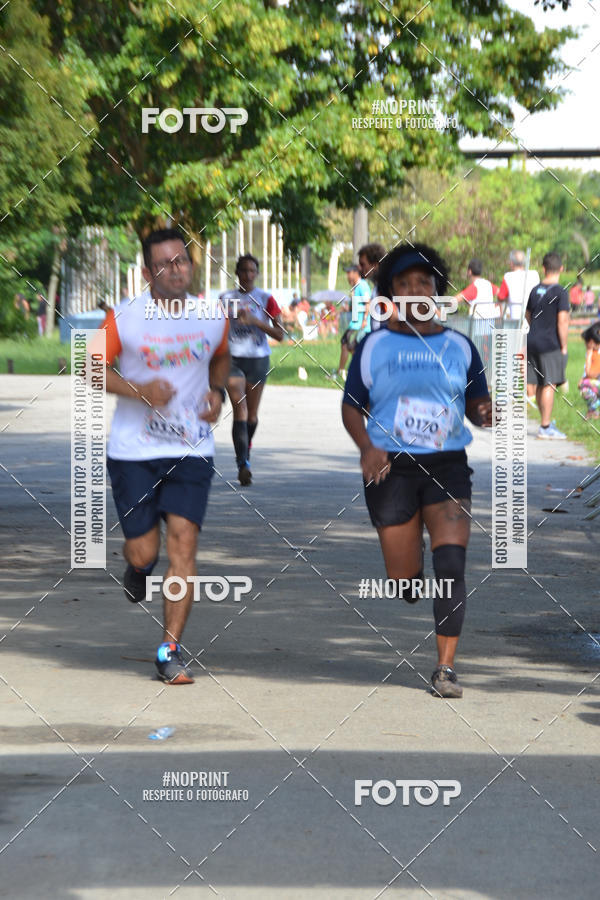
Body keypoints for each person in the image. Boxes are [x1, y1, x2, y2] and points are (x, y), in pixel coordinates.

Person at [342, 243, 492, 699]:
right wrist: (366, 447)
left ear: (436, 291)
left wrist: (486, 412)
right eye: (403, 284)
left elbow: (475, 406)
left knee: (451, 564)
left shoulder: (459, 346)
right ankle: (409, 574)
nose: (414, 291)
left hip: (447, 464)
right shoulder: (374, 345)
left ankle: (445, 668)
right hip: (390, 467)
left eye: (423, 283)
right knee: (404, 577)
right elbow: (352, 408)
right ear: (389, 293)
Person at [100, 227, 230, 684]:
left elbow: (219, 356)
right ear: (147, 271)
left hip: (191, 448)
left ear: (191, 265)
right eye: (164, 264)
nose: (175, 270)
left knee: (184, 545)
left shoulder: (213, 314)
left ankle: (168, 651)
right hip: (134, 451)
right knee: (145, 550)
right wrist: (139, 390)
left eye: (181, 261)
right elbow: (87, 365)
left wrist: (217, 392)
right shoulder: (126, 317)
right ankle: (137, 567)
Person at [220, 253, 284, 486]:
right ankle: (242, 464)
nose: (248, 275)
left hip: (257, 359)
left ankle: (245, 449)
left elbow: (280, 334)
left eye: (252, 271)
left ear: (257, 274)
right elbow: (215, 329)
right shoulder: (225, 298)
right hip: (232, 359)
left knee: (252, 415)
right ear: (236, 273)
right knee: (241, 408)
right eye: (244, 270)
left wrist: (255, 322)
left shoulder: (266, 299)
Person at [525, 252, 569, 439]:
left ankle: (546, 422)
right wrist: (564, 345)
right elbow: (562, 321)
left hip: (532, 341)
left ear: (543, 268)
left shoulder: (535, 290)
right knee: (549, 384)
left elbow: (527, 316)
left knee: (541, 383)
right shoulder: (560, 291)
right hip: (550, 344)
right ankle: (545, 426)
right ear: (561, 268)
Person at [336, 264, 371, 379]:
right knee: (350, 347)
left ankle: (344, 371)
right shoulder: (356, 287)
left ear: (356, 273)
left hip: (360, 324)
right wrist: (345, 309)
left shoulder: (363, 286)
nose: (347, 276)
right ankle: (350, 371)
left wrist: (365, 320)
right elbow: (355, 306)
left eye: (349, 273)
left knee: (349, 346)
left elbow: (368, 303)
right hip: (355, 324)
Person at [497, 250, 539, 322]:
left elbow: (501, 297)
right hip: (534, 320)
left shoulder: (508, 277)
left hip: (516, 322)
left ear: (511, 263)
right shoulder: (535, 274)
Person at [358, 242, 386, 331]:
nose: (360, 268)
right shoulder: (377, 287)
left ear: (375, 265)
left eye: (363, 264)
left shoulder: (386, 288)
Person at [578, 321, 600, 419]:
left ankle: (593, 410)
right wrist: (583, 378)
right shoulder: (591, 352)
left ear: (592, 341)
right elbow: (587, 371)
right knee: (585, 388)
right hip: (595, 381)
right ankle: (593, 410)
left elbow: (590, 372)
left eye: (586, 342)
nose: (585, 345)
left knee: (586, 386)